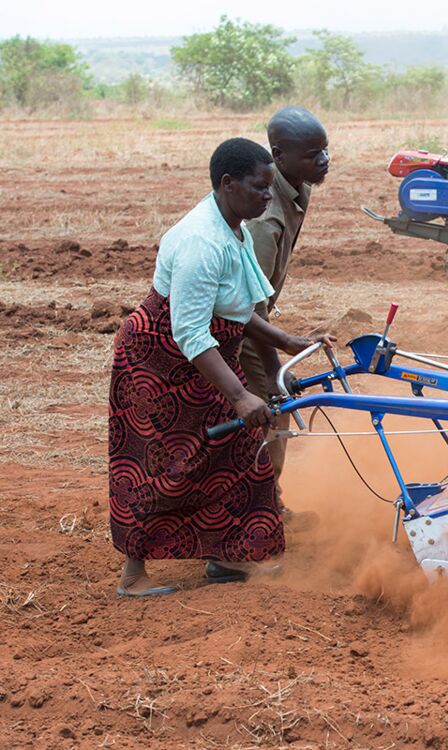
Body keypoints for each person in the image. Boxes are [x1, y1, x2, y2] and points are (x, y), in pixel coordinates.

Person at [108, 137, 334, 597]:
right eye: (259, 187)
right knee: (160, 464)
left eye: (270, 187)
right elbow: (190, 331)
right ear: (228, 184)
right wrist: (239, 394)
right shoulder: (201, 242)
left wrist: (288, 341)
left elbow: (236, 309)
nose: (268, 197)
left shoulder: (235, 229)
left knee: (236, 448)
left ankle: (229, 556)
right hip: (158, 363)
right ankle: (134, 577)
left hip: (199, 358)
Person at [238, 107, 329, 515]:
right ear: (279, 154)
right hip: (236, 321)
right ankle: (262, 505)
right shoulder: (265, 217)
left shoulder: (298, 187)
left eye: (325, 151)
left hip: (253, 313)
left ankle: (265, 499)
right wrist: (276, 367)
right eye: (312, 154)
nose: (323, 161)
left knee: (277, 396)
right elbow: (245, 308)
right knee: (274, 403)